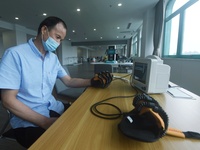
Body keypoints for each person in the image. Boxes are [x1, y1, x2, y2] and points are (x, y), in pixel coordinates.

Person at [0, 16, 112, 148]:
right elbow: (8, 100)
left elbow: (69, 81)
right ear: (44, 30)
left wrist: (92, 81)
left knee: (87, 119)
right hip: (29, 121)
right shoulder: (15, 55)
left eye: (61, 40)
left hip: (53, 107)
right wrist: (44, 122)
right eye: (57, 37)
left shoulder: (53, 58)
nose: (58, 43)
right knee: (67, 143)